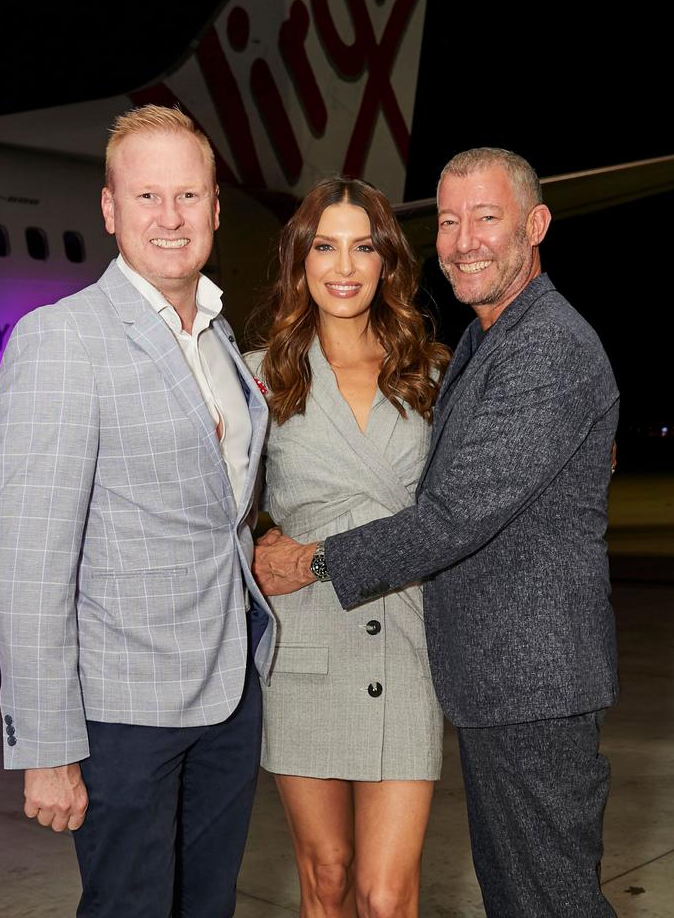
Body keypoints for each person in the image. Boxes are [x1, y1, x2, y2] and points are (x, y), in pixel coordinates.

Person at [254, 149, 620, 918]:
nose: (463, 240)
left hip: (519, 675)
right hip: (460, 673)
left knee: (539, 898)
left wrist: (312, 559)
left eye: (486, 219)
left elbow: (454, 514)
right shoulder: (478, 348)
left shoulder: (504, 352)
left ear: (535, 225)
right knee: (515, 894)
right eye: (449, 222)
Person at [0, 104, 274, 918]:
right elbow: (27, 559)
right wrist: (46, 748)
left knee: (205, 906)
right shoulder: (63, 339)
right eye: (146, 197)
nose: (171, 218)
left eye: (189, 196)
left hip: (227, 697)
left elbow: (222, 515)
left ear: (216, 209)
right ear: (111, 211)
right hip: (122, 715)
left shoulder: (218, 339)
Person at [245, 176, 449, 917]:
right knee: (326, 876)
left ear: (387, 263)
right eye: (324, 246)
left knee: (386, 894)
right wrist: (255, 550)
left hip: (405, 645)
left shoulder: (433, 374)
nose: (344, 265)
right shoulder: (261, 375)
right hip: (307, 652)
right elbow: (213, 502)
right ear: (301, 260)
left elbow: (468, 501)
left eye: (363, 246)